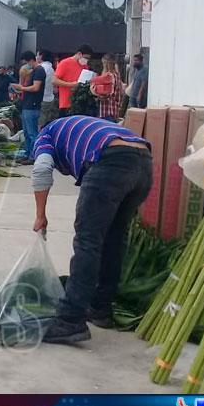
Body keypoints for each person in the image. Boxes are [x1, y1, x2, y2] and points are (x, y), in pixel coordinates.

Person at [31, 115, 152, 344]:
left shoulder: (45, 135)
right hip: (143, 162)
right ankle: (100, 309)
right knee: (113, 239)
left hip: (110, 160)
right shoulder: (80, 124)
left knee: (88, 241)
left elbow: (41, 170)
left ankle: (70, 320)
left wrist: (40, 216)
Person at [10, 51, 45, 163]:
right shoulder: (33, 71)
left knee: (32, 133)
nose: (25, 65)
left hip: (33, 106)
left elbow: (36, 87)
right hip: (27, 104)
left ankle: (33, 156)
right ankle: (27, 153)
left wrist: (21, 88)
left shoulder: (39, 71)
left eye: (25, 63)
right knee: (26, 132)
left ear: (30, 60)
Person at [53, 44, 93, 117]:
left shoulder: (84, 66)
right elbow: (54, 80)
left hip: (80, 102)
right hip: (66, 103)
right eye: (86, 58)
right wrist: (71, 84)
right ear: (79, 54)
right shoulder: (65, 63)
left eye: (88, 59)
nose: (86, 60)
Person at [90, 53, 125, 122]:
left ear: (106, 64)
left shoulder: (109, 76)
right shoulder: (117, 76)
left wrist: (94, 92)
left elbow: (106, 94)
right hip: (114, 110)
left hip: (107, 111)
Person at [37, 49, 57, 129]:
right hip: (50, 98)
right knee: (45, 122)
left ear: (41, 56)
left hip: (42, 98)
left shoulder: (41, 68)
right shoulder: (51, 68)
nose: (36, 57)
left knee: (39, 122)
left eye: (37, 55)